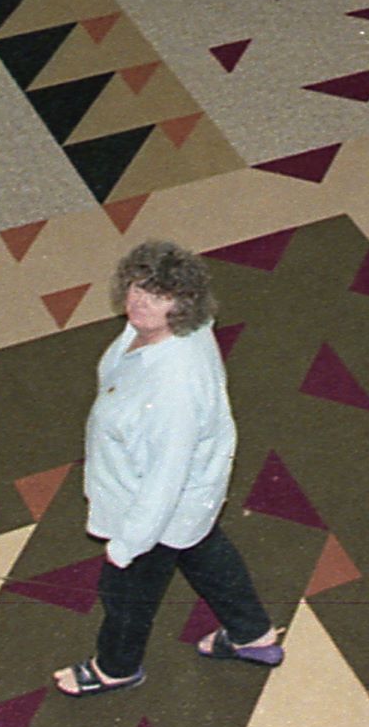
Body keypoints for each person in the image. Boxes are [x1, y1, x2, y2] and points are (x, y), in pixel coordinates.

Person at [52, 240, 283, 698]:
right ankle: (252, 634)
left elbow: (165, 479)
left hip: (153, 505)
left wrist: (128, 544)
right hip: (185, 500)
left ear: (183, 304)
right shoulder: (164, 332)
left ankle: (115, 667)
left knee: (126, 593)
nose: (140, 300)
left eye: (158, 295)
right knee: (201, 550)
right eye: (138, 286)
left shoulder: (174, 386)